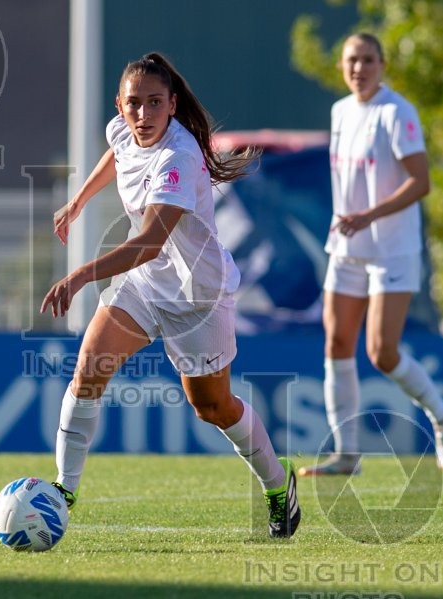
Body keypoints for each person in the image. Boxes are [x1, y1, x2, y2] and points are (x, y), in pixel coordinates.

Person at [40, 52, 300, 537]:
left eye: (154, 104)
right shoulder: (123, 128)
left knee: (213, 408)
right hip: (144, 284)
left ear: (172, 105)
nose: (142, 115)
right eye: (133, 104)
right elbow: (116, 155)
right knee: (89, 370)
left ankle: (277, 484)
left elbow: (147, 243)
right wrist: (78, 200)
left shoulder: (177, 157)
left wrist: (79, 276)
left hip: (197, 297)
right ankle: (63, 490)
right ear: (120, 105)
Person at [298, 33, 443, 477]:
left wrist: (369, 215)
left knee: (382, 352)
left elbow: (420, 182)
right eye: (352, 60)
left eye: (368, 60)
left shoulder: (397, 112)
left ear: (382, 65)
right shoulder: (340, 111)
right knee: (336, 343)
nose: (359, 69)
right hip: (347, 245)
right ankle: (346, 455)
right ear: (341, 66)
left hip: (392, 249)